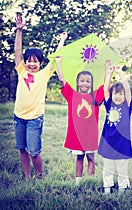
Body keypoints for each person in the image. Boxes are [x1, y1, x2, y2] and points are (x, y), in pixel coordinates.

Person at [13, 13, 67, 179]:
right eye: (29, 60)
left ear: (40, 63)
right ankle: (27, 177)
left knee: (34, 152)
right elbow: (17, 51)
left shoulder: (44, 74)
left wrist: (62, 40)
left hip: (35, 118)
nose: (31, 63)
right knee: (22, 149)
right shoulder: (21, 70)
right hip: (18, 117)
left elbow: (55, 56)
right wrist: (19, 31)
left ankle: (39, 175)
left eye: (35, 61)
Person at [55, 55, 104, 186]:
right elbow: (61, 79)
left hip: (90, 136)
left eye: (88, 81)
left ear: (91, 84)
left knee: (91, 158)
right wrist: (58, 62)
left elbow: (106, 84)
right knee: (79, 158)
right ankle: (78, 183)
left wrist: (108, 69)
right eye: (82, 81)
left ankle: (90, 181)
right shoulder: (72, 95)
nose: (85, 84)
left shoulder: (96, 96)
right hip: (77, 135)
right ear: (77, 82)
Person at [98, 60, 132, 195]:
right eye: (115, 93)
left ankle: (122, 189)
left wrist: (120, 73)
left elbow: (128, 90)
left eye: (120, 94)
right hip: (108, 142)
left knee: (122, 168)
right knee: (108, 167)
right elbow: (105, 89)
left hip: (122, 143)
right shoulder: (109, 104)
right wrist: (109, 74)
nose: (117, 96)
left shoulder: (127, 106)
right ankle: (107, 188)